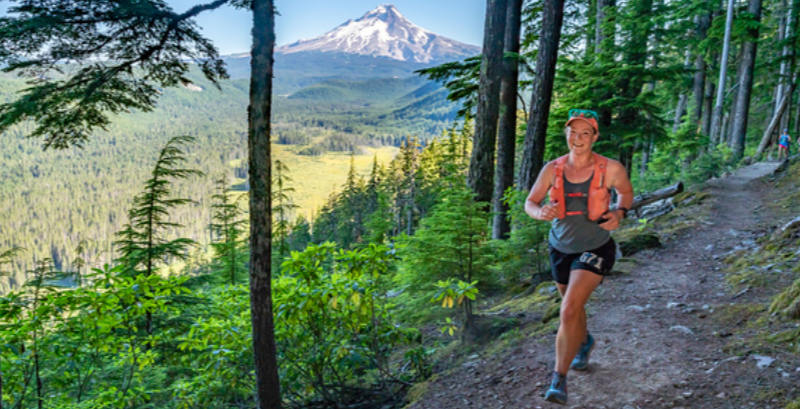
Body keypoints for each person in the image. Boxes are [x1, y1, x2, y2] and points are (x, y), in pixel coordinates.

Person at [524, 109, 634, 405]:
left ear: (595, 137)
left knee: (570, 308)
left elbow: (625, 193)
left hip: (596, 246)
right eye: (573, 132)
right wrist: (539, 212)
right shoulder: (553, 169)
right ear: (567, 134)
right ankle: (584, 341)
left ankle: (558, 380)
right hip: (560, 246)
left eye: (586, 133)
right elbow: (531, 202)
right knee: (572, 306)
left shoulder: (610, 168)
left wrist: (619, 212)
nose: (578, 138)